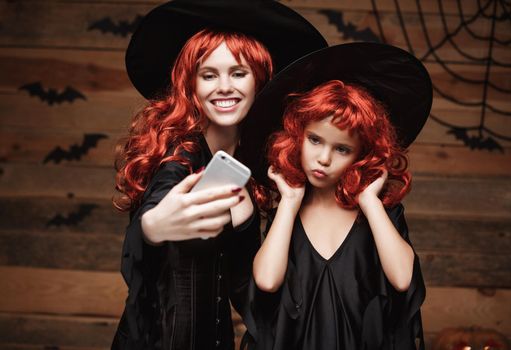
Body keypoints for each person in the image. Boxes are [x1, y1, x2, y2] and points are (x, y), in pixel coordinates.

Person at [111, 1, 327, 349]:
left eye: (238, 73)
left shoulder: (249, 167)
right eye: (208, 75)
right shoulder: (177, 156)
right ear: (191, 86)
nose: (224, 87)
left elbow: (246, 291)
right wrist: (151, 228)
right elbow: (154, 214)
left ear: (260, 80)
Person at [243, 43, 433, 350]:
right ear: (296, 137)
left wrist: (371, 203)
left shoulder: (382, 213)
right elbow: (266, 281)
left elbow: (402, 280)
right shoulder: (286, 213)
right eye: (315, 140)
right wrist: (289, 204)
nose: (324, 158)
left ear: (361, 156)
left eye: (342, 149)